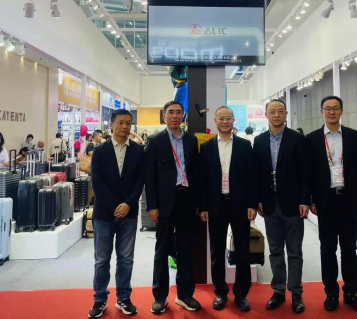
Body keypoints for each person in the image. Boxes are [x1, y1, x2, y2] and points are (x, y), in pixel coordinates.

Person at [307, 96, 357, 313]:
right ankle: (331, 293)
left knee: (349, 249)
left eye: (335, 108)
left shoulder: (353, 135)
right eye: (327, 108)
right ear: (321, 111)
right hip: (326, 201)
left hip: (350, 199)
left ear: (341, 111)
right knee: (327, 249)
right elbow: (309, 172)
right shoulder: (312, 138)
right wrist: (312, 198)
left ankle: (351, 292)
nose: (331, 112)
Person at [145, 101, 201, 314]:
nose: (175, 116)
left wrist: (198, 203)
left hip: (187, 199)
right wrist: (152, 206)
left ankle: (185, 295)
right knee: (162, 249)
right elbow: (149, 177)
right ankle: (160, 297)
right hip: (164, 203)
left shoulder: (191, 140)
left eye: (179, 112)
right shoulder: (155, 141)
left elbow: (196, 174)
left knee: (186, 249)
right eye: (171, 112)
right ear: (164, 116)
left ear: (183, 116)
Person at [253, 99, 309, 314]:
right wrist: (258, 199)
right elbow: (257, 174)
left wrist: (304, 200)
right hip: (269, 204)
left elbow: (305, 172)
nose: (276, 115)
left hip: (293, 204)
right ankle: (278, 290)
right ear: (266, 115)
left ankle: (296, 292)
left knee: (294, 251)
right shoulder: (259, 141)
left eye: (280, 111)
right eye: (272, 112)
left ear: (286, 114)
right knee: (275, 250)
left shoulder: (297, 139)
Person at [88, 109, 145, 318]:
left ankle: (124, 298)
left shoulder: (138, 151)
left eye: (128, 123)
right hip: (104, 213)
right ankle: (99, 299)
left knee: (126, 259)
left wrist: (128, 204)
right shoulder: (100, 150)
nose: (125, 126)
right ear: (111, 125)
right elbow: (97, 181)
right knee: (102, 259)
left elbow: (140, 180)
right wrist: (115, 206)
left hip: (129, 214)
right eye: (121, 122)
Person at [199, 107, 257, 312]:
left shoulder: (244, 145)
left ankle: (241, 294)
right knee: (216, 250)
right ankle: (220, 292)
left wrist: (252, 204)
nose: (225, 122)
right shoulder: (206, 147)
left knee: (242, 250)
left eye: (228, 118)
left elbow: (252, 178)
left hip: (240, 204)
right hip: (216, 204)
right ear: (215, 121)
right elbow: (202, 180)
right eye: (221, 118)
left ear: (234, 121)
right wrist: (203, 207)